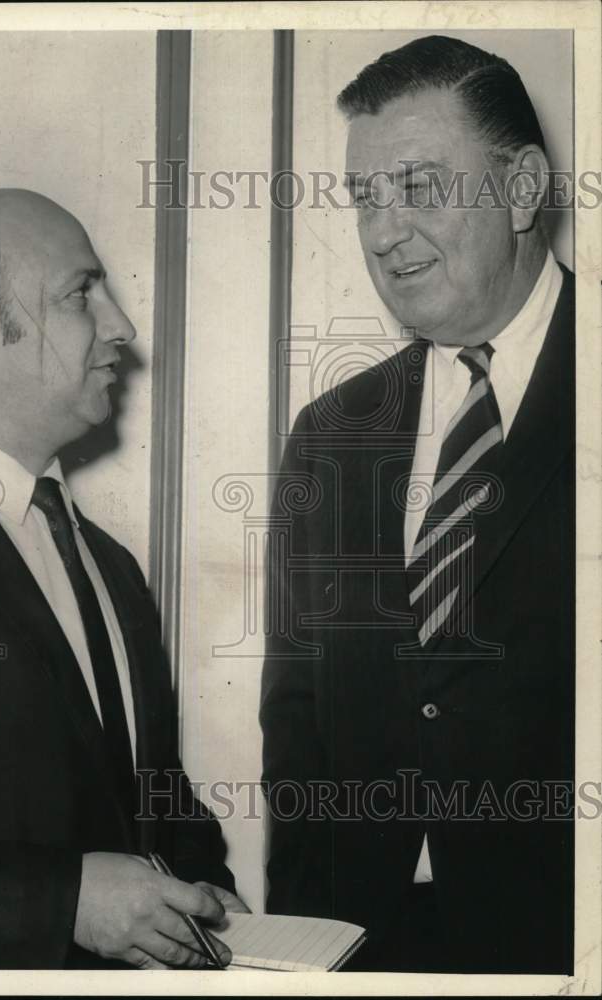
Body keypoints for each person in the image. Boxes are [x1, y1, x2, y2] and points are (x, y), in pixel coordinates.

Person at [261, 35, 574, 974]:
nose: (382, 231)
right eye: (364, 198)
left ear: (520, 190)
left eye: (419, 186)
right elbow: (298, 721)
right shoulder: (330, 431)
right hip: (365, 947)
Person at [0, 188, 247, 969]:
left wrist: (217, 914)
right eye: (80, 293)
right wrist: (64, 902)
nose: (121, 326)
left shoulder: (111, 567)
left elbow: (157, 801)